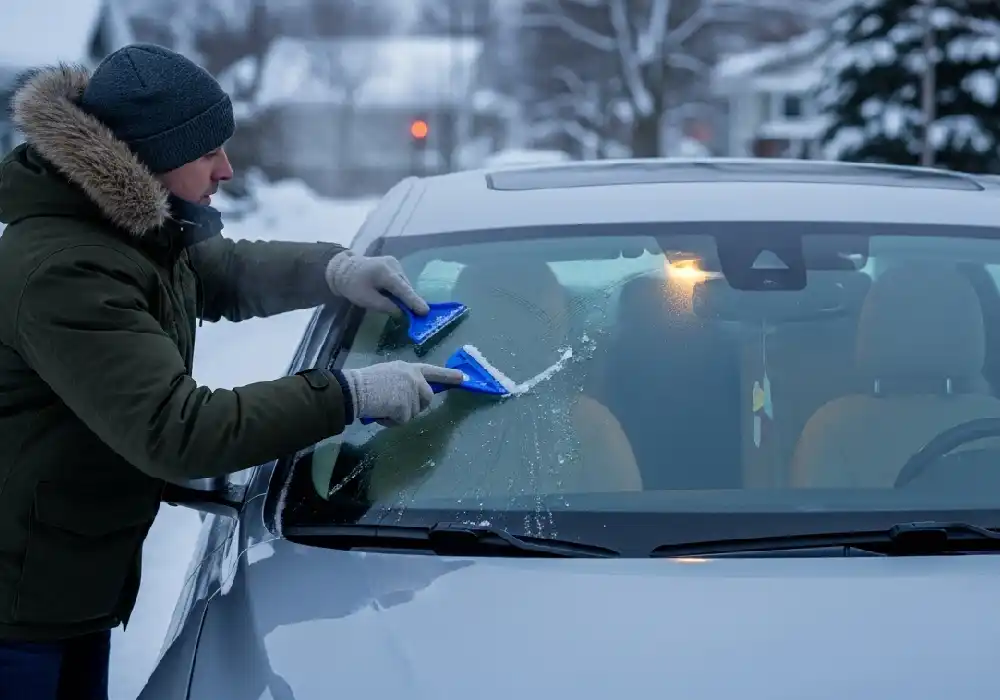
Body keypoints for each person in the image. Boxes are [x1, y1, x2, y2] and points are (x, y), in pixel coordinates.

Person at [0, 44, 462, 699]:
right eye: (208, 151)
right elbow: (178, 429)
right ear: (150, 157)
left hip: (63, 581)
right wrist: (348, 393)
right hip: (19, 604)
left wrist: (334, 270)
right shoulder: (68, 269)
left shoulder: (123, 229)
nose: (227, 168)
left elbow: (218, 270)